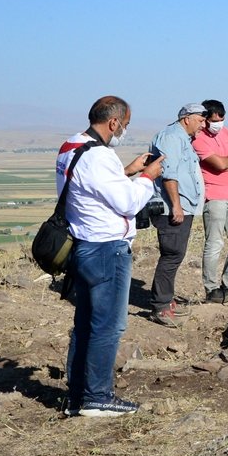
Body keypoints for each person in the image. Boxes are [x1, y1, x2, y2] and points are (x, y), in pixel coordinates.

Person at [57, 96, 164, 416]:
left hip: (83, 245)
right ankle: (98, 397)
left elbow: (93, 187)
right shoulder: (100, 155)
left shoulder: (72, 146)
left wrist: (128, 170)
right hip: (106, 249)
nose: (124, 131)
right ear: (113, 122)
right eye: (126, 125)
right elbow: (127, 204)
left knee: (86, 323)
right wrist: (147, 177)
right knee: (108, 326)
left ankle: (78, 395)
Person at [149, 103, 208, 326]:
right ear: (187, 119)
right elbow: (169, 174)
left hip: (184, 205)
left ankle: (166, 301)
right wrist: (176, 205)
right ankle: (160, 307)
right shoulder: (171, 137)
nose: (203, 125)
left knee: (176, 253)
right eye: (200, 120)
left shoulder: (183, 138)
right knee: (172, 254)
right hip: (172, 206)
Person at [192, 99, 228, 302]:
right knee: (214, 243)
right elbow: (218, 164)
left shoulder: (226, 132)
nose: (218, 123)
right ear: (205, 119)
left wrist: (226, 163)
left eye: (222, 119)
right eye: (214, 120)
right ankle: (211, 289)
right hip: (214, 197)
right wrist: (226, 162)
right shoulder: (199, 138)